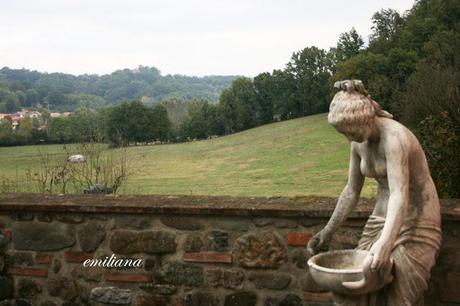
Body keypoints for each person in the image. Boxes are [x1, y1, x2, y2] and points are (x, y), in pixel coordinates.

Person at [307, 80, 441, 305]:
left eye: (352, 131)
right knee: (358, 293)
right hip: (381, 219)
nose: (350, 138)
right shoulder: (358, 142)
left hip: (417, 220)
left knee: (399, 298)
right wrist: (328, 231)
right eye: (345, 133)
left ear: (366, 119)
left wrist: (386, 243)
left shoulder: (395, 139)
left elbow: (400, 193)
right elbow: (351, 190)